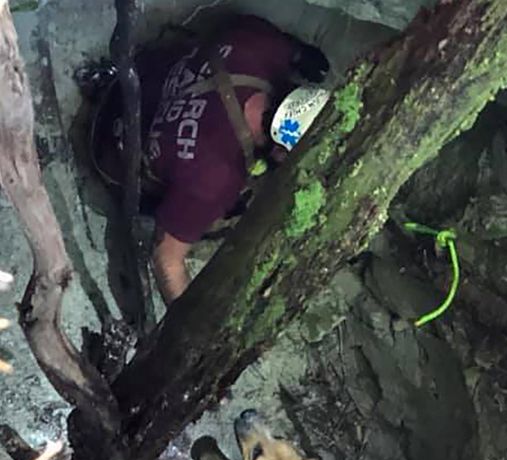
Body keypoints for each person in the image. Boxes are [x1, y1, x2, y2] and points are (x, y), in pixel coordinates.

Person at [88, 14, 331, 304]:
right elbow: (167, 261)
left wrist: (301, 54)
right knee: (235, 210)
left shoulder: (259, 46)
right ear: (281, 149)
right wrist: (187, 326)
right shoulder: (217, 178)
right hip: (110, 152)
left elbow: (260, 31)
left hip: (133, 78)